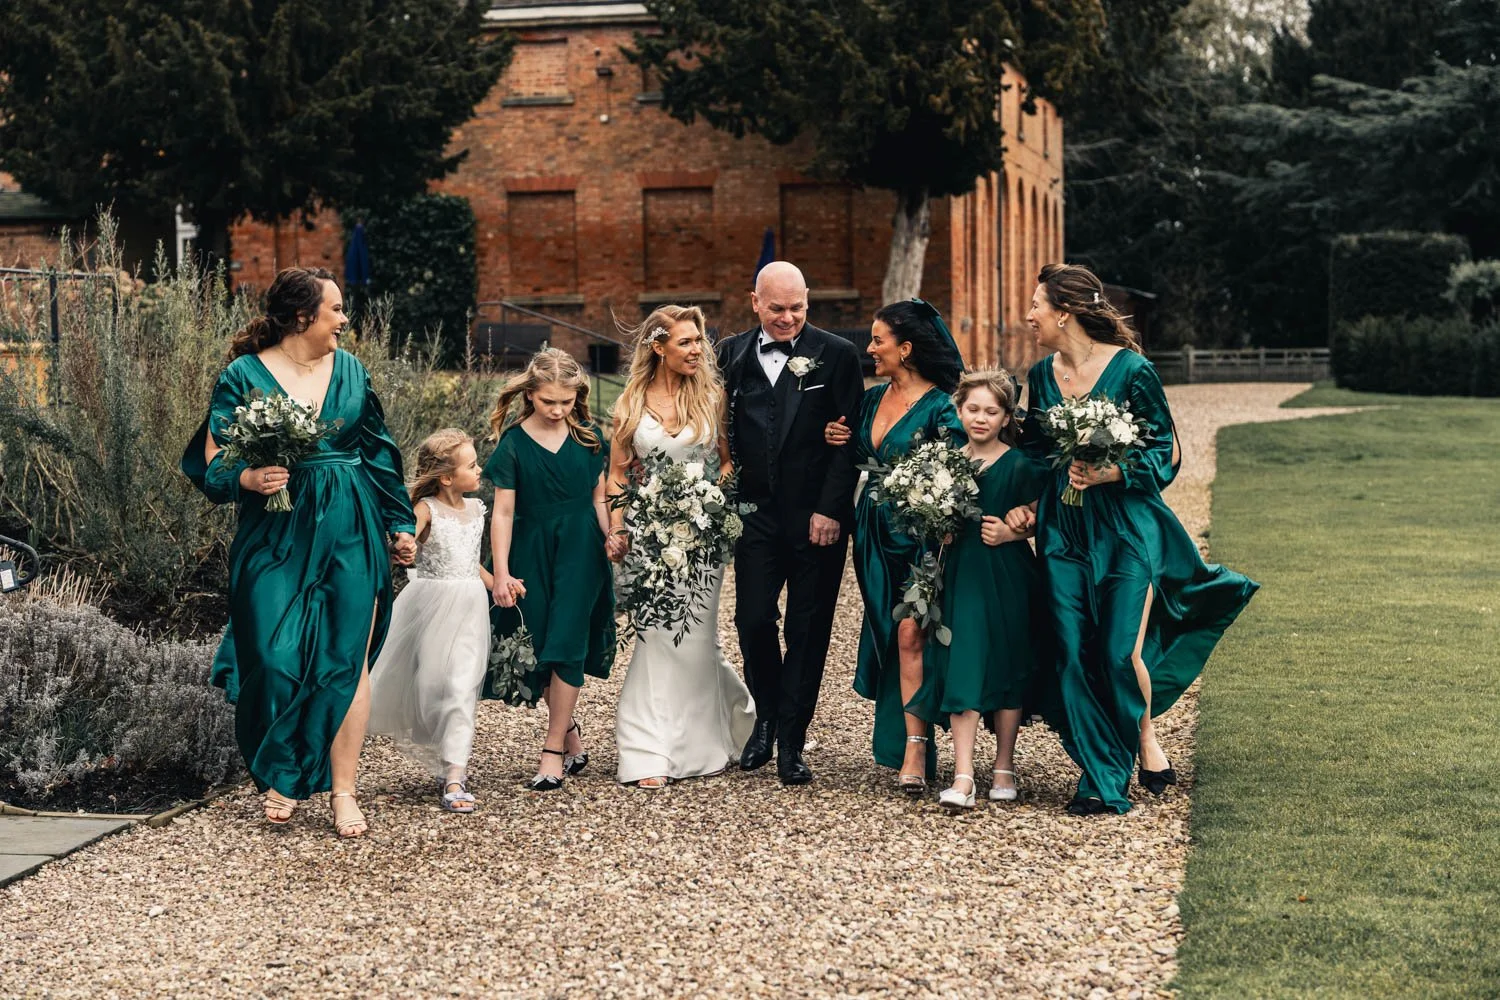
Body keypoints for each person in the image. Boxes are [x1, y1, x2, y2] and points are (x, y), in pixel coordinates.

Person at [1009, 263, 1260, 815]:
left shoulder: (1132, 371)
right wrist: (1020, 505)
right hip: (1064, 531)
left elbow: (1165, 452)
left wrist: (1112, 472)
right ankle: (1102, 775)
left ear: (1065, 312)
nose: (1029, 316)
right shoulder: (1041, 377)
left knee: (1119, 651)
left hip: (1124, 529)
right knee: (1073, 651)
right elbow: (1032, 454)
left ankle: (1137, 742)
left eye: (1036, 305)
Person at [181, 266, 417, 837]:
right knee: (272, 654)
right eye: (335, 309)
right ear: (303, 315)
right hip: (275, 531)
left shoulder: (353, 372)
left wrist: (400, 522)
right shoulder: (241, 375)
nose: (344, 320)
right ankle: (284, 767)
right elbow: (214, 459)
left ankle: (343, 791)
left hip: (349, 524)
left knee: (346, 660)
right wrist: (247, 477)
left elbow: (379, 453)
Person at [714, 261, 864, 785]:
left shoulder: (838, 355)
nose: (787, 319)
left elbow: (850, 446)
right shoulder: (728, 354)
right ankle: (768, 714)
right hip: (753, 514)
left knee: (809, 628)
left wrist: (831, 510)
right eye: (776, 308)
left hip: (815, 517)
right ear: (754, 302)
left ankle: (792, 741)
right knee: (752, 619)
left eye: (796, 308)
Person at [608, 305, 756, 788]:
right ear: (659, 348)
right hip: (648, 538)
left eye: (699, 341)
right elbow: (617, 474)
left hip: (702, 543)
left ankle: (701, 746)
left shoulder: (712, 397)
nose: (697, 350)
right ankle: (646, 752)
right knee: (653, 639)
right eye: (686, 342)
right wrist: (618, 529)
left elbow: (728, 463)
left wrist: (711, 501)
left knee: (694, 639)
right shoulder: (629, 403)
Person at [825, 299, 965, 793]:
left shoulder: (943, 405)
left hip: (920, 536)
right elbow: (855, 449)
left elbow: (958, 473)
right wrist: (836, 434)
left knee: (914, 633)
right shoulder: (870, 399)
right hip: (873, 537)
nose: (869, 347)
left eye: (878, 339)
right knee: (892, 635)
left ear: (906, 348)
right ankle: (907, 736)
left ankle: (916, 745)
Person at [904, 371, 1047, 809]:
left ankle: (1004, 764)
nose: (980, 418)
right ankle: (962, 774)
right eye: (973, 409)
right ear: (959, 410)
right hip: (959, 575)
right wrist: (936, 525)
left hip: (1008, 577)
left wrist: (1014, 530)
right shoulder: (943, 462)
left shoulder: (1021, 464)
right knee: (960, 662)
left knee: (1006, 664)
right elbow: (922, 516)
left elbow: (1050, 516)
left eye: (991, 411)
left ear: (1006, 417)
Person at [485, 348, 616, 792]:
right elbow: (502, 513)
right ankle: (570, 731)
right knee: (538, 642)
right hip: (531, 548)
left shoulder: (590, 438)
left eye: (566, 401)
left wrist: (612, 534)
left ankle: (552, 749)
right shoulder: (514, 443)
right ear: (530, 396)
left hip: (583, 549)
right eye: (548, 402)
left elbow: (600, 499)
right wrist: (500, 573)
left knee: (567, 641)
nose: (558, 410)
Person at [368, 429, 493, 813]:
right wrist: (403, 545)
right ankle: (444, 748)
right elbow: (408, 537)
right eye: (471, 465)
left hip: (470, 606)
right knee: (432, 684)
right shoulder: (426, 508)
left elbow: (469, 559)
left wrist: (498, 584)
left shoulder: (477, 510)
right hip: (432, 605)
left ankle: (456, 774)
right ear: (446, 477)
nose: (479, 470)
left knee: (461, 687)